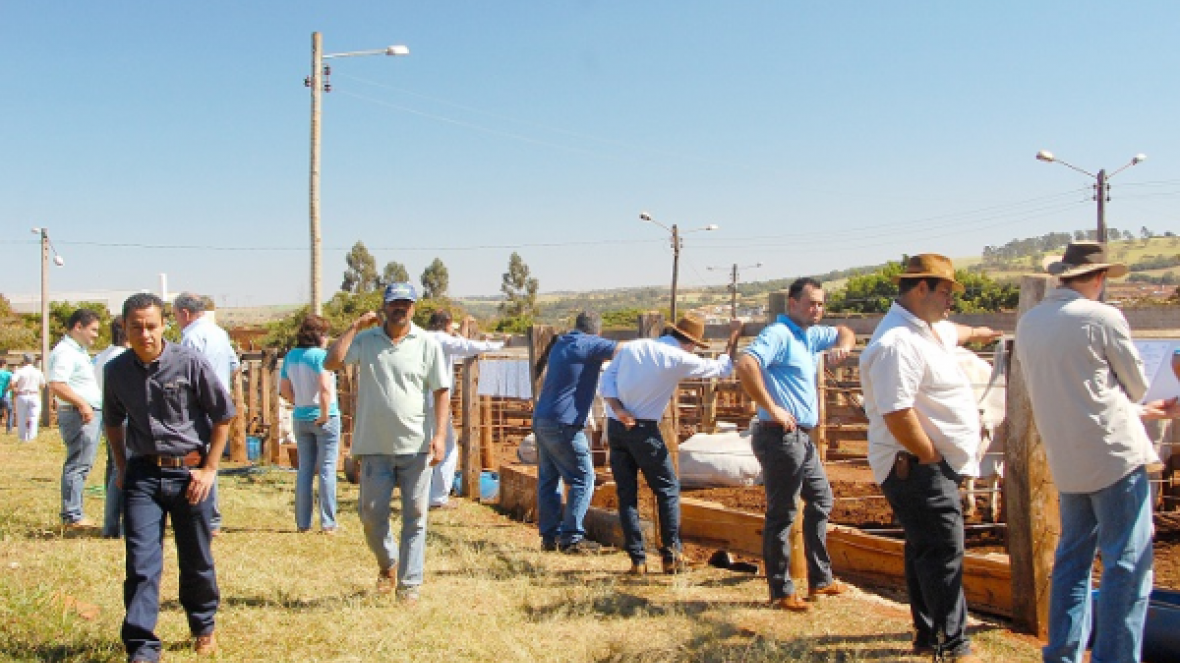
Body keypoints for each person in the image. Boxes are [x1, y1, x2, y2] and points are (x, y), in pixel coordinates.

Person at [1016, 241, 1180, 663]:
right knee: (1127, 564)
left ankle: (1064, 652)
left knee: (1073, 559)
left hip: (1069, 458)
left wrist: (1132, 408)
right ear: (1101, 277)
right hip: (1114, 456)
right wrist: (1141, 403)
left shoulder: (1031, 322)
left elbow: (1081, 392)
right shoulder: (1103, 317)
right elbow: (1137, 382)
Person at [859, 254, 999, 663]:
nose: (951, 299)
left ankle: (928, 637)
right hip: (916, 465)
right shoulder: (897, 343)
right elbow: (897, 411)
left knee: (925, 547)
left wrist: (991, 333)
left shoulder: (927, 330)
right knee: (942, 551)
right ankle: (953, 645)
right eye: (947, 291)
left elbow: (963, 330)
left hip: (923, 465)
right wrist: (929, 454)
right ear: (922, 288)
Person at [104, 293, 235, 661]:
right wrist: (121, 466)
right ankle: (142, 646)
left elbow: (223, 415)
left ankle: (202, 625)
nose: (144, 334)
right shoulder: (116, 372)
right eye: (136, 327)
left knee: (196, 558)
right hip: (143, 475)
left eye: (151, 325)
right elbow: (113, 422)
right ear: (125, 328)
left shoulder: (189, 363)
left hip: (190, 475)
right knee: (142, 562)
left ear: (164, 324)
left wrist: (209, 469)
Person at [324, 282, 450, 602]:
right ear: (384, 306)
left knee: (416, 517)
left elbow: (440, 390)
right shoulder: (366, 341)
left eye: (406, 304)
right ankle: (389, 563)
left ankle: (409, 587)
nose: (400, 309)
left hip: (416, 446)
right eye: (395, 303)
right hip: (374, 446)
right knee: (370, 516)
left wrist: (439, 436)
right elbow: (331, 362)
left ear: (414, 308)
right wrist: (354, 327)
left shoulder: (426, 343)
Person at [735, 277, 856, 611]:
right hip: (780, 435)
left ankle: (821, 580)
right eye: (810, 303)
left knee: (821, 498)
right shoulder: (779, 334)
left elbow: (845, 330)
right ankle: (781, 590)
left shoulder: (809, 335)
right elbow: (746, 364)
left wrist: (842, 346)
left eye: (820, 304)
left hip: (801, 437)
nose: (816, 309)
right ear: (792, 304)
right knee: (783, 512)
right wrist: (772, 407)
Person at [599, 314, 741, 575]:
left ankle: (637, 560)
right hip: (644, 429)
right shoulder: (678, 358)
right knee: (667, 489)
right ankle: (672, 555)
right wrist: (734, 335)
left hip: (617, 425)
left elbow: (606, 379)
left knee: (626, 494)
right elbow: (723, 368)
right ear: (691, 343)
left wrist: (618, 409)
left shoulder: (632, 347)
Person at [531, 310, 618, 553]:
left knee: (548, 479)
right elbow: (623, 350)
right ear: (598, 332)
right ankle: (571, 538)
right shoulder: (589, 343)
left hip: (543, 418)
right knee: (583, 477)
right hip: (564, 423)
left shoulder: (562, 343)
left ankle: (549, 537)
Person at [174, 292, 240, 536]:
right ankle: (211, 518)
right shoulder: (219, 333)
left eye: (175, 316)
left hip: (197, 406)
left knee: (197, 460)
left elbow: (182, 373)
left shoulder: (190, 337)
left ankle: (204, 517)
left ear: (185, 313)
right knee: (212, 460)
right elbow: (235, 366)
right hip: (219, 405)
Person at [424, 309, 503, 510]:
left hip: (418, 401)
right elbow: (468, 346)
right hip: (435, 401)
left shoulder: (424, 338)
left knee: (423, 446)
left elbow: (461, 343)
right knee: (447, 447)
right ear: (447, 324)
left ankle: (420, 492)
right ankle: (438, 497)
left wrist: (460, 332)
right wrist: (498, 344)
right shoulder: (441, 339)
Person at [279, 314, 341, 534]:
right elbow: (325, 388)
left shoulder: (291, 356)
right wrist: (324, 413)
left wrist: (299, 402)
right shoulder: (321, 357)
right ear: (319, 336)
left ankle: (303, 523)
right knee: (327, 469)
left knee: (305, 470)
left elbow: (284, 389)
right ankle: (328, 522)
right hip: (325, 418)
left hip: (301, 417)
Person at [47, 308, 103, 529]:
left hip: (85, 411)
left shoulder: (77, 351)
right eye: (93, 330)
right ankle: (73, 514)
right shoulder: (65, 352)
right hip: (78, 413)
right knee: (78, 463)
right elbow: (57, 384)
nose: (96, 335)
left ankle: (74, 510)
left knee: (83, 464)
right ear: (78, 327)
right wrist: (82, 404)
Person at [94, 316, 130, 538]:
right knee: (126, 470)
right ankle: (125, 526)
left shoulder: (102, 357)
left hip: (108, 416)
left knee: (115, 468)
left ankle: (110, 525)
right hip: (124, 418)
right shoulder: (124, 360)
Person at [11, 353, 46, 442]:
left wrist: (15, 390)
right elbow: (43, 385)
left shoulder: (20, 371)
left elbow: (12, 383)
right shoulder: (38, 372)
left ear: (24, 360)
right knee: (34, 417)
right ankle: (32, 437)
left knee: (21, 417)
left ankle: (23, 438)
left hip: (22, 394)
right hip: (34, 394)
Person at [0, 359, 12, 435]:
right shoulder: (8, 374)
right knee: (10, 411)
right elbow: (13, 382)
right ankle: (9, 429)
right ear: (4, 365)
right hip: (5, 395)